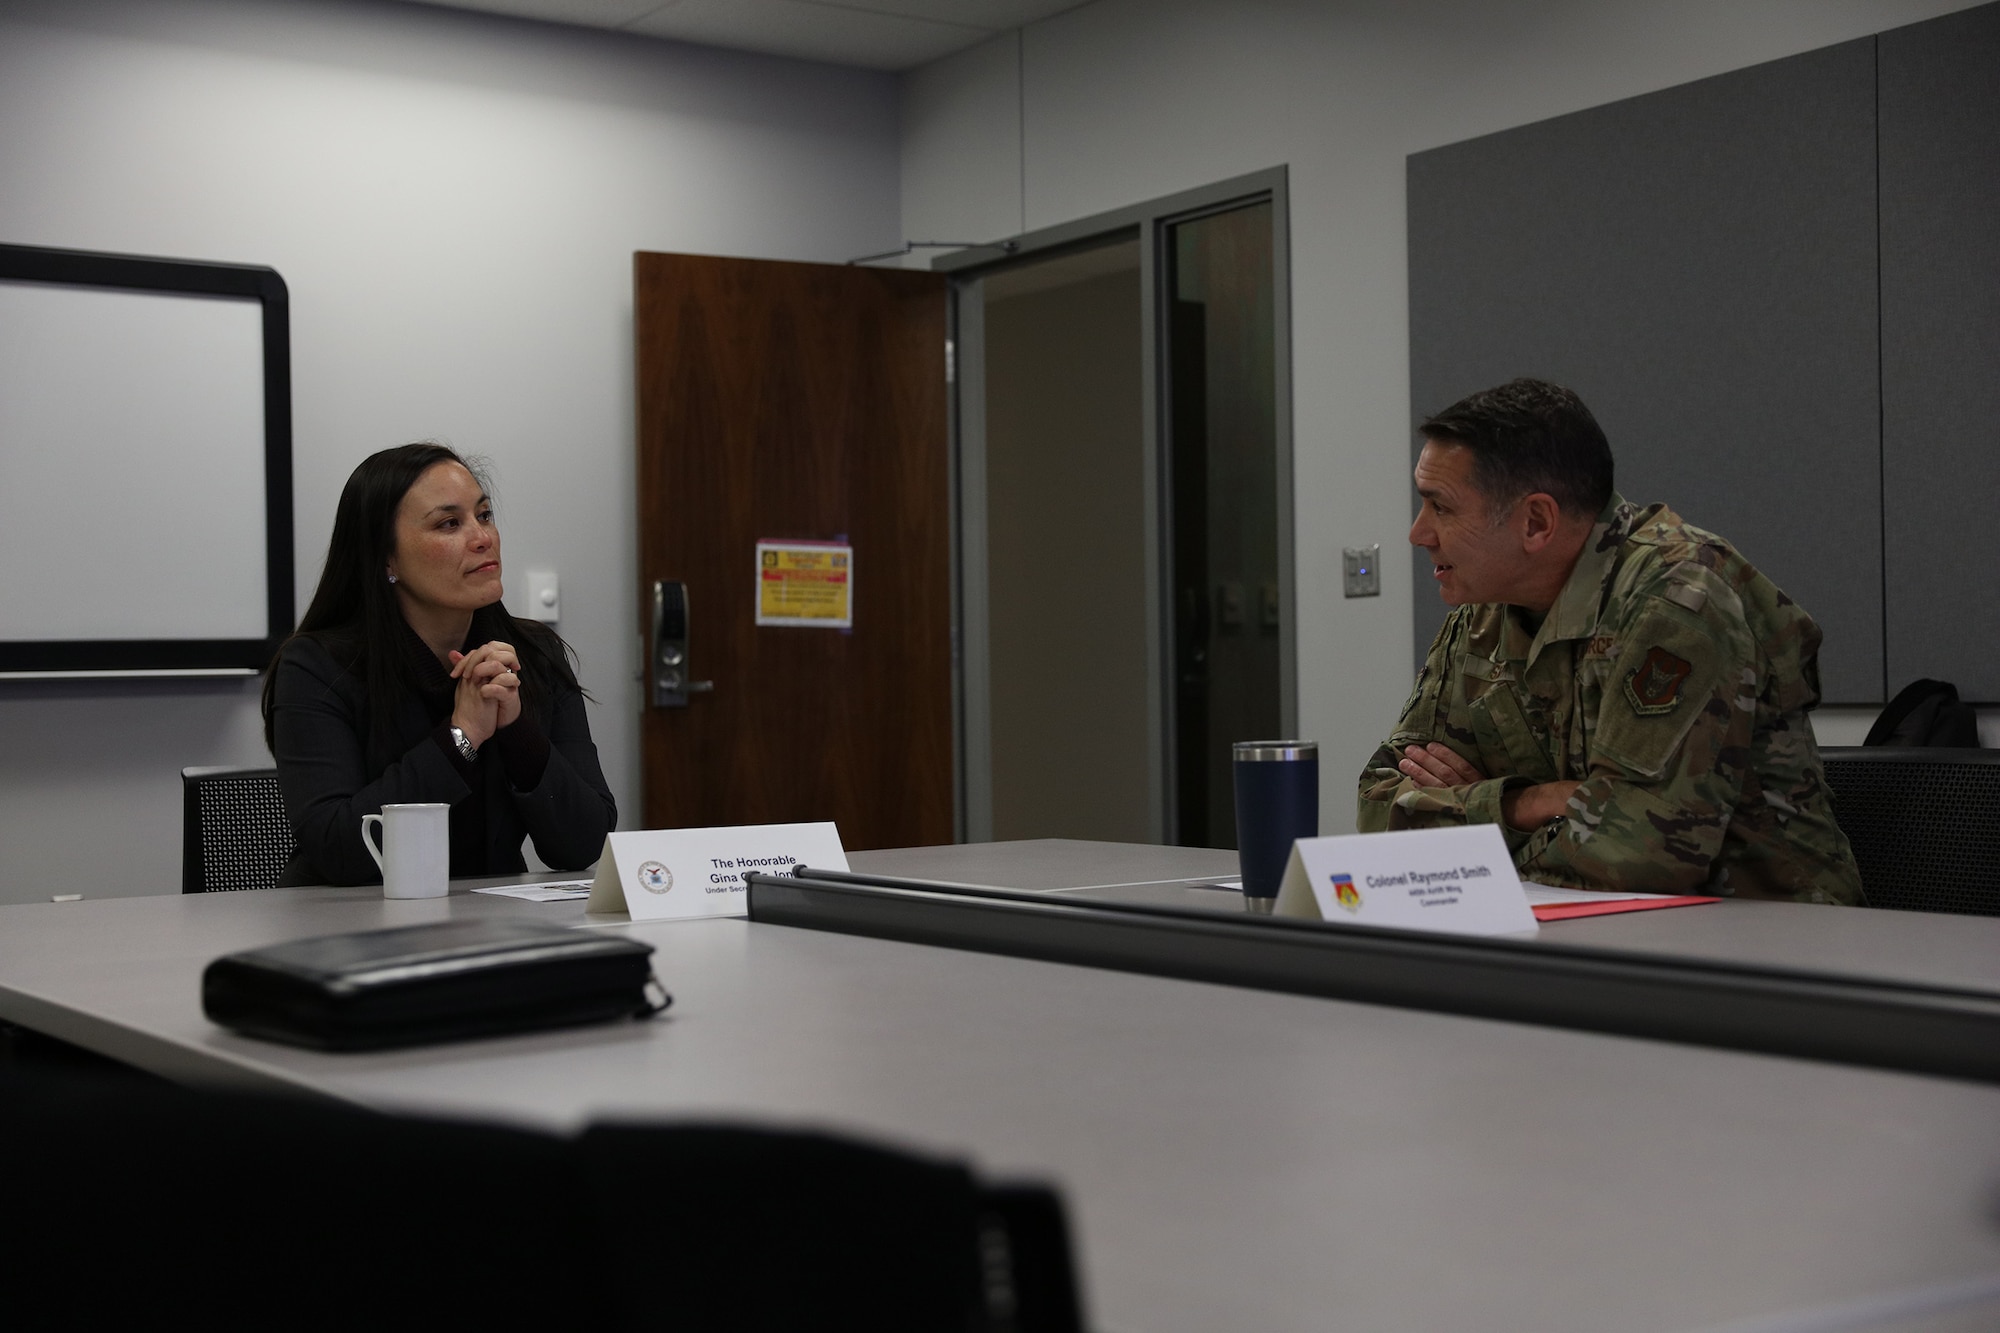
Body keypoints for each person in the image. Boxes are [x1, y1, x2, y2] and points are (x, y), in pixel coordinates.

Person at [1358, 379, 1863, 904]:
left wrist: (1467, 824)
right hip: (1591, 935)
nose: (1418, 533)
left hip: (1771, 946)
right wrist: (1523, 805)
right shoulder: (1483, 611)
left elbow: (1639, 856)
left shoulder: (1679, 600)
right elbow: (1377, 809)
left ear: (1536, 522)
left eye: (1441, 507)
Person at [263, 443, 616, 886]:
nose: (482, 537)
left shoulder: (534, 655)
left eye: (483, 515)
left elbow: (585, 844)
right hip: (348, 934)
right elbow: (337, 850)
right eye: (450, 524)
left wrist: (517, 729)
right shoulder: (318, 667)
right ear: (385, 558)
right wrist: (462, 735)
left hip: (489, 932)